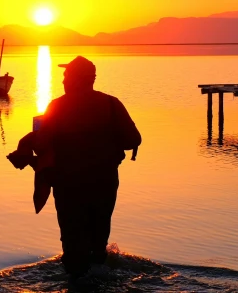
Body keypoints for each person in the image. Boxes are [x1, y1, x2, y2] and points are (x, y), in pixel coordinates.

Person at [9, 56, 141, 276]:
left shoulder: (58, 106)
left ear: (77, 79)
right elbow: (134, 140)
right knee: (99, 242)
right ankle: (98, 289)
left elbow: (41, 144)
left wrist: (28, 148)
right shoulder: (111, 104)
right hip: (104, 183)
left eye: (66, 76)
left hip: (69, 185)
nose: (63, 80)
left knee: (72, 244)